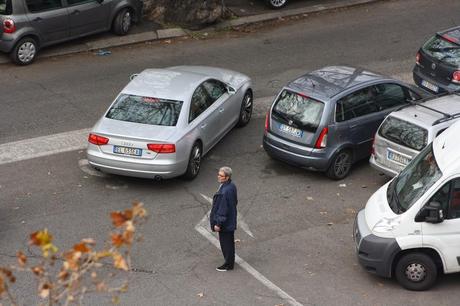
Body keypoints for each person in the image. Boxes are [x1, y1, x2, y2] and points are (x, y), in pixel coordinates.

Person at [210, 166, 238, 272]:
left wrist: (218, 224)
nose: (218, 177)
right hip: (230, 220)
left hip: (225, 223)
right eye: (218, 174)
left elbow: (222, 210)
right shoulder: (231, 186)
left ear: (227, 177)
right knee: (229, 242)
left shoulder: (224, 191)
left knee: (226, 244)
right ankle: (230, 261)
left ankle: (228, 264)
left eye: (221, 176)